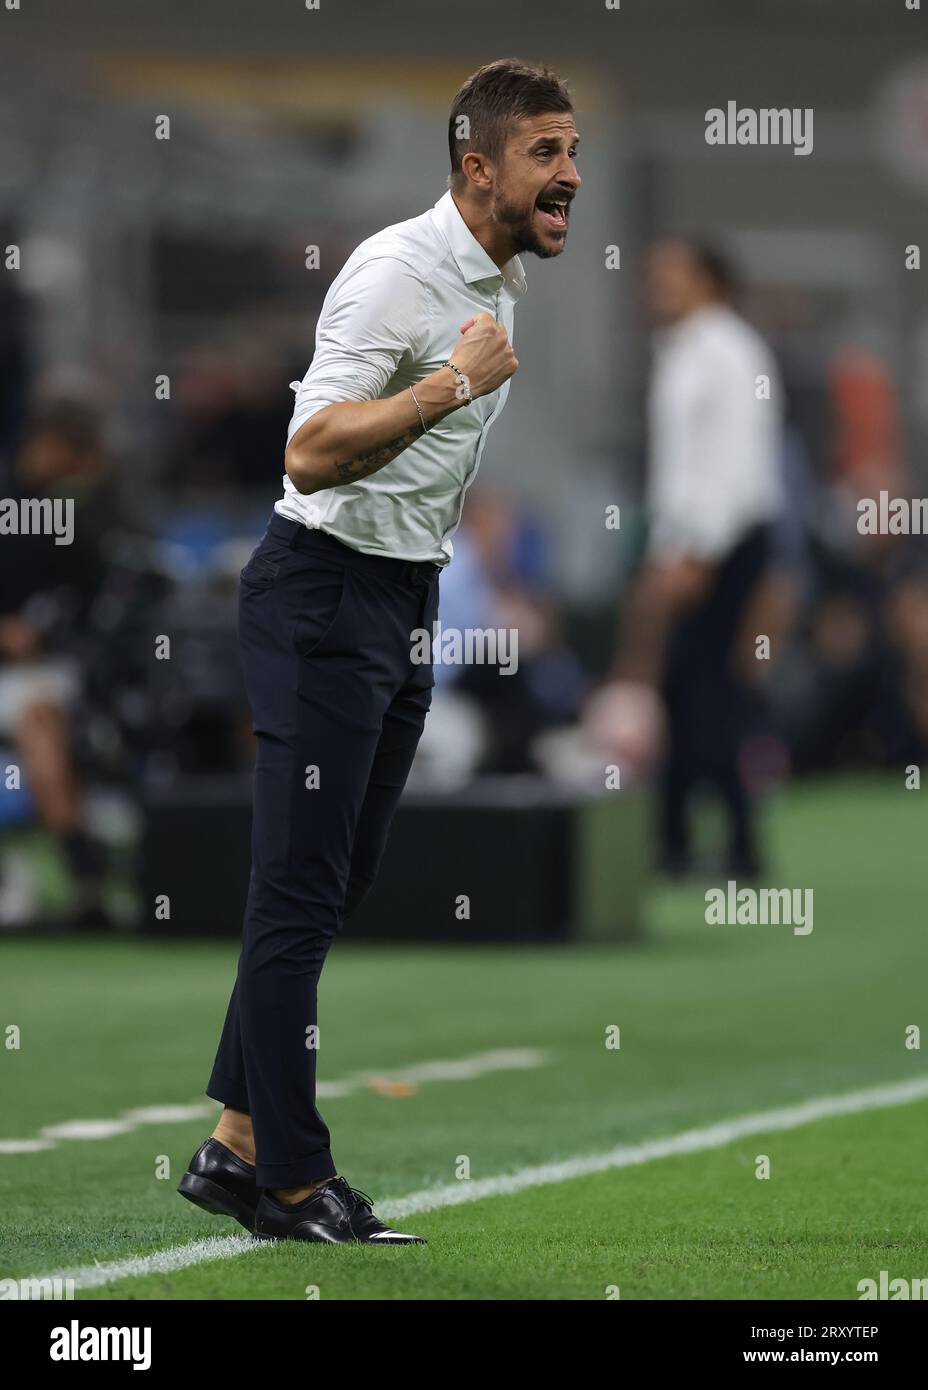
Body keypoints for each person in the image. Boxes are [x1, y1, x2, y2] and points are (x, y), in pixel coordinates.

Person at [179, 58, 581, 1245]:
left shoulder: (494, 277)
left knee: (337, 875)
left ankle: (234, 1142)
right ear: (476, 167)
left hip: (401, 595)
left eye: (572, 152)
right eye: (546, 154)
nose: (570, 177)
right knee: (297, 889)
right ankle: (293, 1182)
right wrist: (449, 384)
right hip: (320, 595)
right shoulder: (397, 276)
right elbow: (307, 451)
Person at [587, 240, 782, 875]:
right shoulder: (681, 351)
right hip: (688, 544)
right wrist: (666, 548)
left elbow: (737, 464)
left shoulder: (730, 352)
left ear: (708, 281)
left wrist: (696, 551)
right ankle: (673, 839)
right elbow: (683, 470)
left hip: (722, 545)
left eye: (671, 275)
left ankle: (740, 847)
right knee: (676, 689)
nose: (656, 286)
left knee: (707, 691)